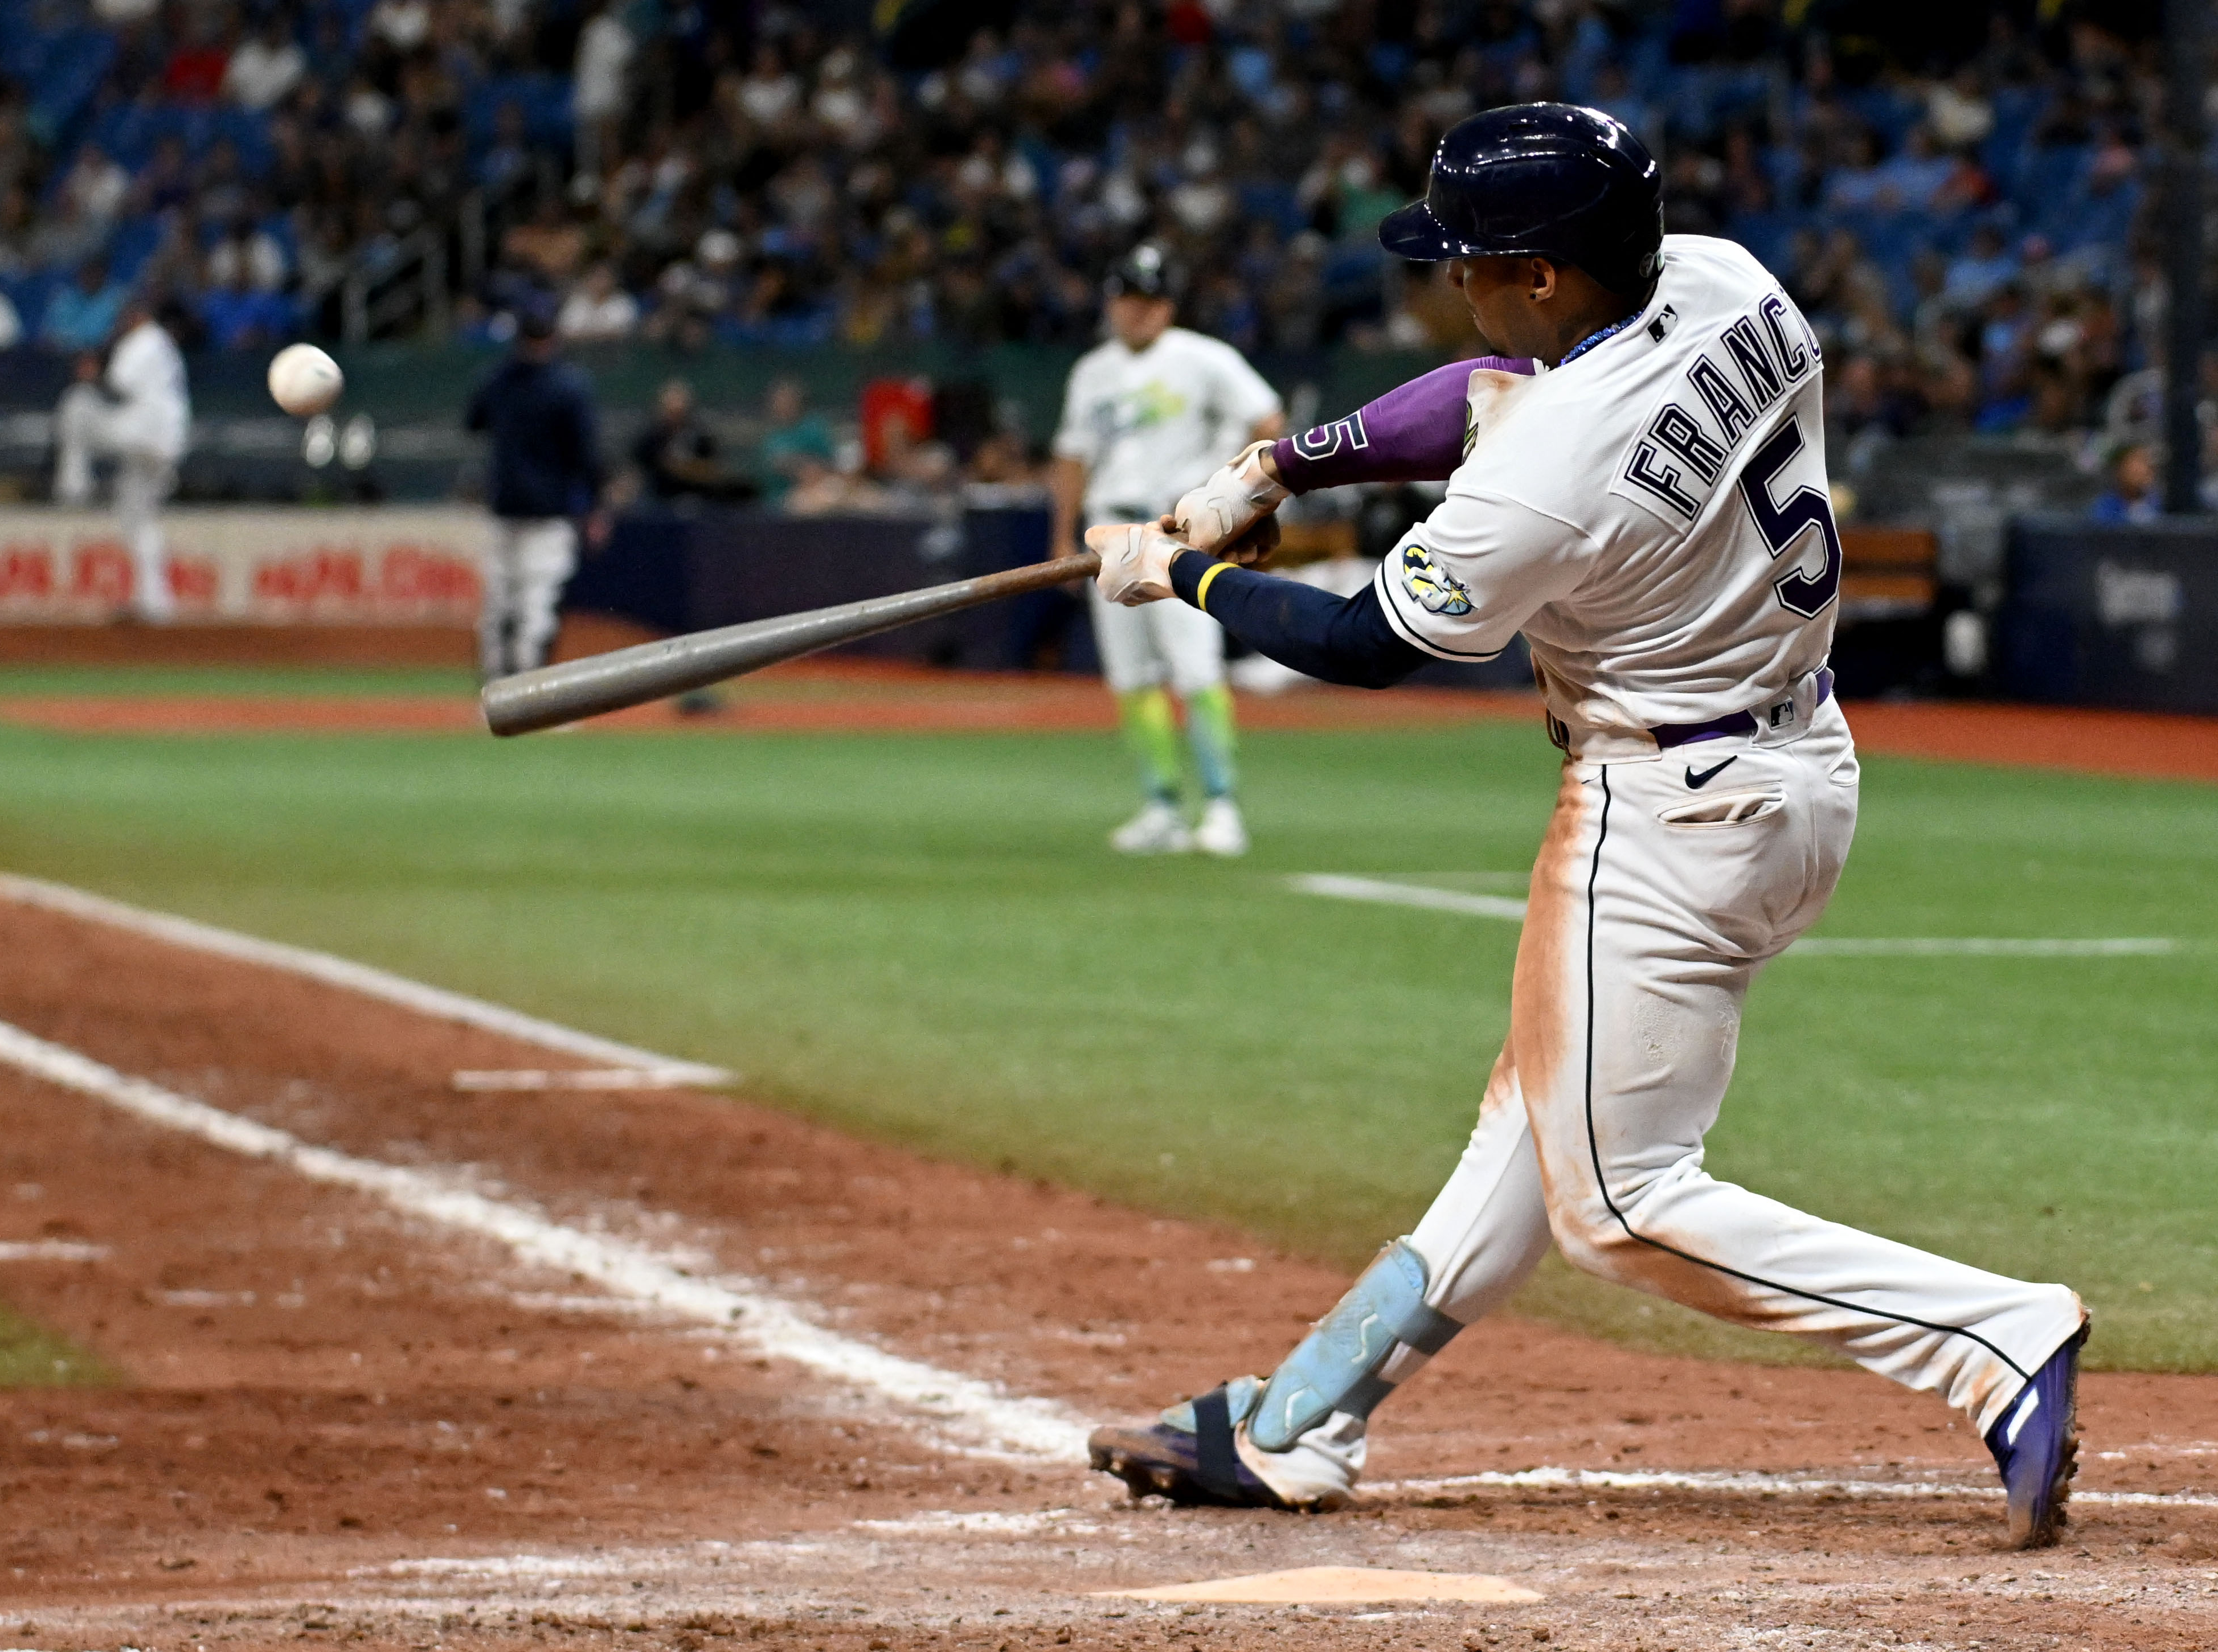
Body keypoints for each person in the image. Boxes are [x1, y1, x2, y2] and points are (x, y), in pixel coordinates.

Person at [1081, 104, 2088, 1551]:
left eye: (1475, 263)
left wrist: (1172, 577)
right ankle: (1300, 1418)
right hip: (1793, 770)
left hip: (1660, 803)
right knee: (1535, 1121)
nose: (1454, 285)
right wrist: (1276, 470)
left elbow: (1367, 638)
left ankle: (1989, 1339)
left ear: (1545, 275)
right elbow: (1485, 386)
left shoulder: (1549, 469)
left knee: (1614, 1200)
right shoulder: (1727, 276)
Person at [1050, 243, 1282, 856]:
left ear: (1168, 304)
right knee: (1130, 677)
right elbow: (1071, 457)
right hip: (1109, 531)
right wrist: (1061, 536)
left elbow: (1268, 420)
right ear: (1112, 302)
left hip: (1178, 532)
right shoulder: (1091, 372)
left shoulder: (1204, 359)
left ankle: (1221, 806)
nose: (1141, 311)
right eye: (1130, 297)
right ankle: (1160, 807)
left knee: (1196, 669)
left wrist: (1236, 497)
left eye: (1151, 299)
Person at [464, 295, 606, 679]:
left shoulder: (499, 379)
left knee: (504, 604)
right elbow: (587, 455)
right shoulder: (567, 386)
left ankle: (498, 694)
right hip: (546, 510)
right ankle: (531, 695)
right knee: (533, 604)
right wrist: (594, 506)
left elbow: (473, 421)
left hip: (509, 506)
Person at [52, 296, 191, 621]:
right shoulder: (161, 344)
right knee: (139, 520)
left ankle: (74, 483)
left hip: (142, 434)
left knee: (77, 402)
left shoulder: (143, 340)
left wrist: (90, 374)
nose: (122, 322)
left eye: (126, 315)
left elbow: (118, 385)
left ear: (137, 315)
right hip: (164, 443)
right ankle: (156, 603)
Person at [631, 379, 752, 502]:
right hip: (658, 498)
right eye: (671, 409)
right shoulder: (651, 438)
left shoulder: (701, 435)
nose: (676, 413)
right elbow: (641, 468)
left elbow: (712, 468)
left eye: (680, 409)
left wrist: (684, 469)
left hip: (697, 498)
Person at [755, 378, 834, 505]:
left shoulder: (815, 428)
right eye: (779, 401)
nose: (783, 405)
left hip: (822, 489)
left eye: (788, 400)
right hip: (781, 500)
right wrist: (798, 466)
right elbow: (777, 464)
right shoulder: (772, 438)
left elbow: (829, 463)